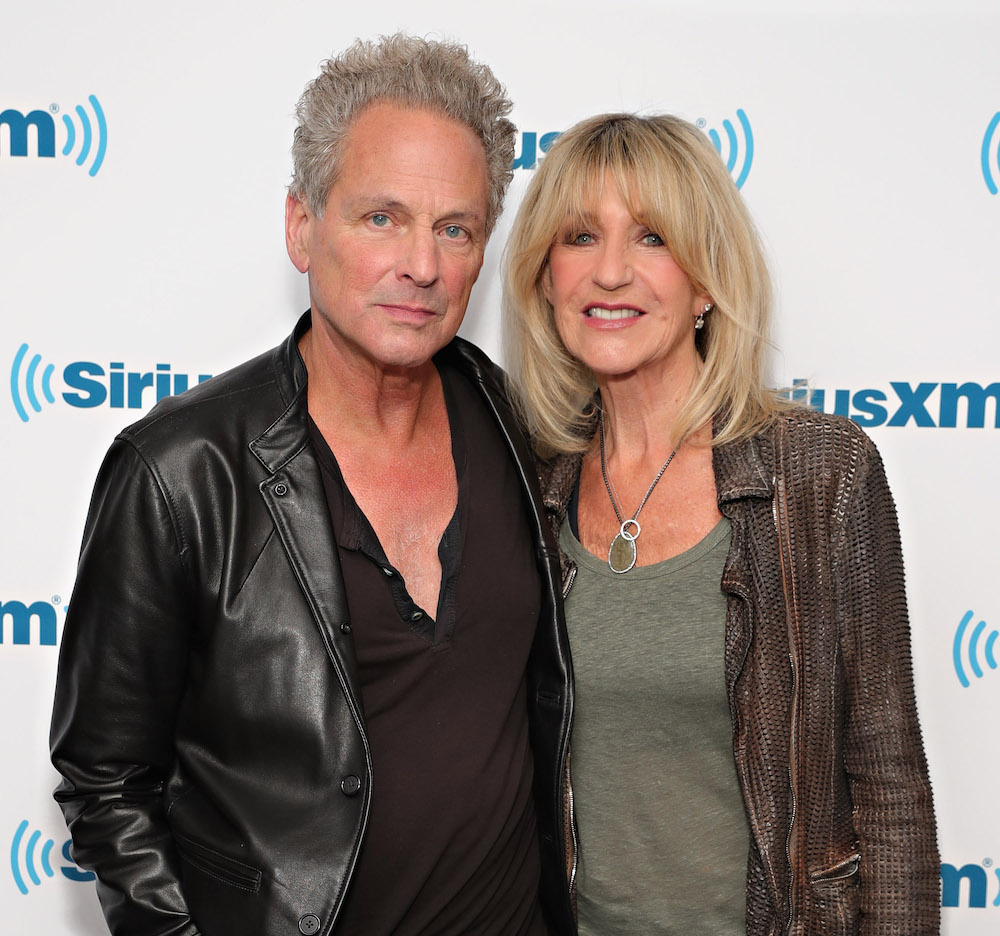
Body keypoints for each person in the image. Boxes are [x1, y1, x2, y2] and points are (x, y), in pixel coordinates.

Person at [50, 35, 576, 936]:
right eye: (382, 218)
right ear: (302, 226)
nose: (421, 265)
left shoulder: (513, 422)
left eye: (454, 229)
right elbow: (105, 779)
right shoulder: (181, 471)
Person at [503, 113, 939, 934]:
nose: (610, 271)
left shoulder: (820, 473)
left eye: (654, 238)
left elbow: (890, 786)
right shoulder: (524, 480)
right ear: (546, 279)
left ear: (706, 282)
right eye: (580, 236)